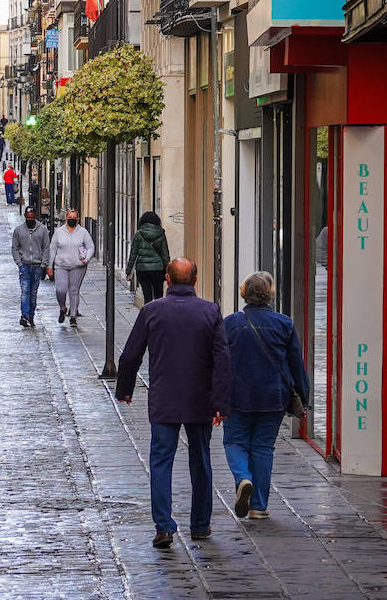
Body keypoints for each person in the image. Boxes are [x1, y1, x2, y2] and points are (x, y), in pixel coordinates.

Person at [114, 258, 231, 548]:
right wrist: (221, 402)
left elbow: (131, 354)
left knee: (161, 462)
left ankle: (164, 527)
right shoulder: (210, 311)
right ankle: (201, 525)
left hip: (165, 398)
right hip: (199, 399)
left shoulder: (152, 311)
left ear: (167, 279)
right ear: (194, 281)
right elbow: (222, 360)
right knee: (201, 461)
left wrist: (125, 388)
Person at [223, 271, 311, 521]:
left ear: (244, 293)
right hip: (273, 396)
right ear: (269, 294)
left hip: (237, 395)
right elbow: (296, 363)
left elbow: (219, 362)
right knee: (263, 447)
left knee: (235, 442)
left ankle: (243, 478)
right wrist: (303, 397)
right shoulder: (284, 323)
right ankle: (258, 506)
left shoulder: (230, 323)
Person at [47, 209, 95, 326]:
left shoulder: (83, 232)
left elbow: (91, 247)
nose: (72, 219)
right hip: (61, 266)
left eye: (74, 217)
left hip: (78, 266)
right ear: (66, 218)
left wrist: (86, 259)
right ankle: (63, 308)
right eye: (70, 217)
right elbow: (52, 249)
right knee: (60, 290)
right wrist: (49, 266)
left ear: (78, 219)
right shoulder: (59, 232)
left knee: (74, 290)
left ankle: (73, 316)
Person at [11, 206, 52, 327]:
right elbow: (15, 248)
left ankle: (31, 316)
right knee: (25, 291)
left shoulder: (42, 229)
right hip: (24, 265)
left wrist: (43, 265)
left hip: (38, 266)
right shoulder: (18, 230)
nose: (30, 220)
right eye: (28, 218)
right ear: (25, 217)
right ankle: (24, 315)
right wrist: (19, 263)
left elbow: (46, 247)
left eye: (32, 218)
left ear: (35, 218)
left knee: (33, 293)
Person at [125, 211, 170, 304]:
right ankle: (159, 316)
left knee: (147, 296)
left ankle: (148, 316)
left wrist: (128, 271)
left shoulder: (138, 234)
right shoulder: (161, 234)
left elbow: (133, 254)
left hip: (143, 269)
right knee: (159, 296)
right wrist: (168, 270)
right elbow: (165, 254)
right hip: (158, 270)